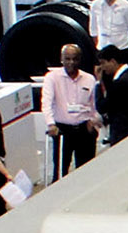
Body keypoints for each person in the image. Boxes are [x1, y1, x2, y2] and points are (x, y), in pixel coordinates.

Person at [40, 42, 103, 179]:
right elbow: (46, 102)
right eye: (67, 59)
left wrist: (94, 120)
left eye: (75, 59)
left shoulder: (89, 79)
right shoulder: (52, 78)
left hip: (84, 130)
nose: (71, 62)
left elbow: (95, 105)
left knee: (87, 170)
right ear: (61, 59)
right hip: (63, 131)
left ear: (80, 60)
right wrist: (51, 124)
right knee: (60, 171)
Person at [98, 45, 128, 145]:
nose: (102, 68)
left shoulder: (119, 83)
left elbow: (102, 107)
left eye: (103, 63)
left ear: (113, 61)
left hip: (121, 134)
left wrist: (98, 84)